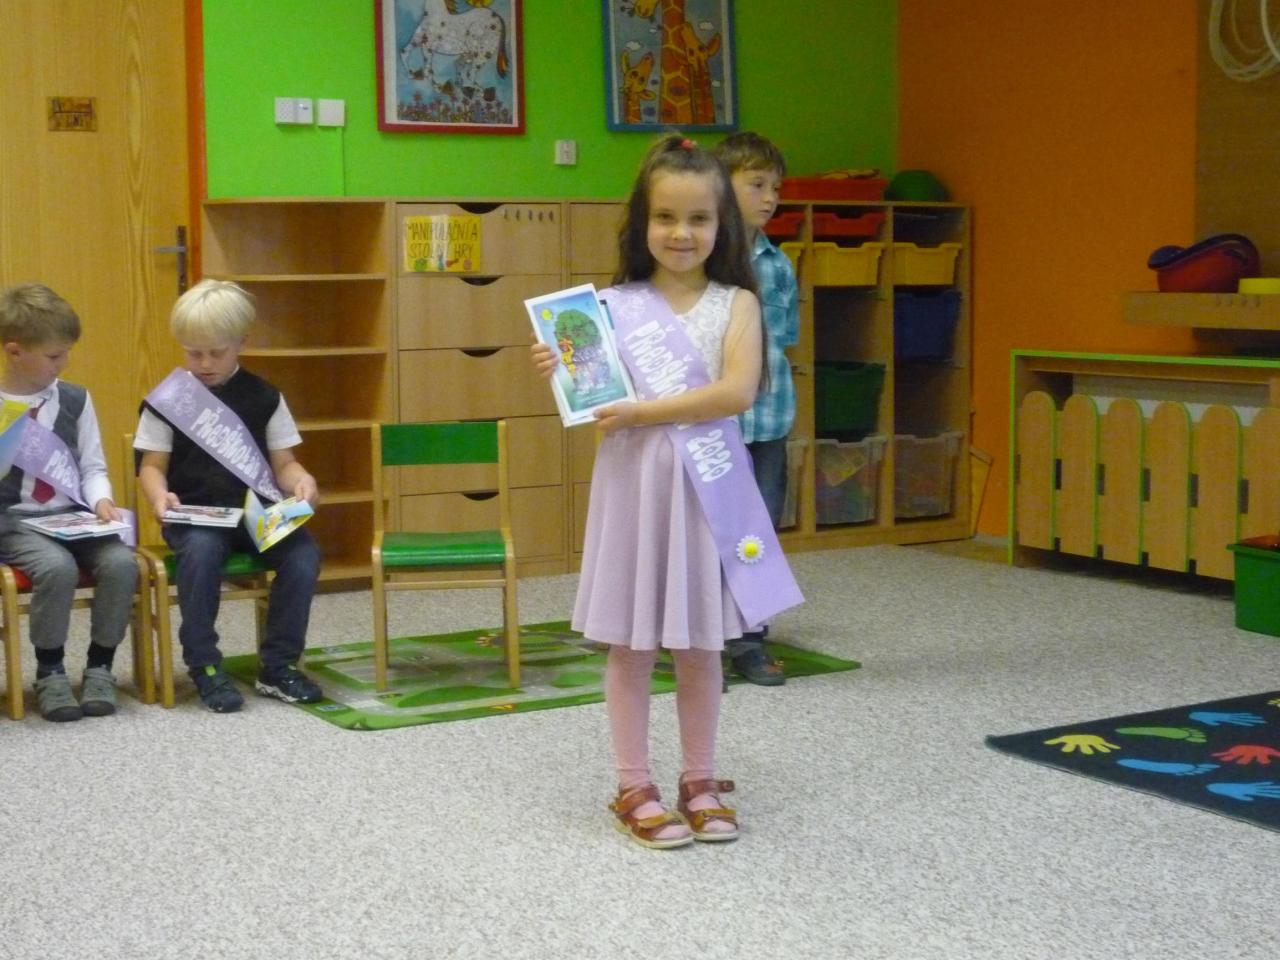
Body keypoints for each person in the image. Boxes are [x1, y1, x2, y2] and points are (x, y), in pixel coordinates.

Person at [532, 135, 802, 848]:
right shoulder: (608, 307)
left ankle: (699, 779)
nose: (681, 233)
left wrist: (642, 411)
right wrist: (564, 368)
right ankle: (634, 785)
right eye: (665, 217)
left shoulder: (738, 304)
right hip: (635, 489)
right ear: (641, 222)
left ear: (722, 226)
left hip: (707, 490)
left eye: (699, 219)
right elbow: (595, 401)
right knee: (630, 643)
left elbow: (736, 392)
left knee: (700, 642)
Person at [135, 279, 322, 713]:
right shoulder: (168, 401)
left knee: (303, 555)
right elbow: (151, 467)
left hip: (256, 515)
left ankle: (278, 665)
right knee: (201, 554)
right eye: (192, 352)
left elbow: (284, 463)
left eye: (216, 352)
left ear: (242, 343)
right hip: (196, 517)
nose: (204, 364)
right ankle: (205, 664)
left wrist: (302, 482)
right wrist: (159, 497)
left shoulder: (265, 397)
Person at [0, 283, 138, 721]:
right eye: (54, 356)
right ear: (14, 351)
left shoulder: (76, 399)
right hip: (14, 521)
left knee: (121, 564)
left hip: (73, 517)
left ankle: (100, 667)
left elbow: (92, 467)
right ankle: (50, 672)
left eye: (66, 354)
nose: (64, 364)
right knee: (56, 568)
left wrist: (102, 502)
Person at [712, 131, 798, 686]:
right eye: (757, 184)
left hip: (767, 419)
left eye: (776, 188)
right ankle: (699, 639)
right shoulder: (701, 258)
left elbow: (785, 337)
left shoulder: (778, 263)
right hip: (712, 423)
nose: (770, 198)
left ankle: (749, 640)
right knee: (705, 528)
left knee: (758, 531)